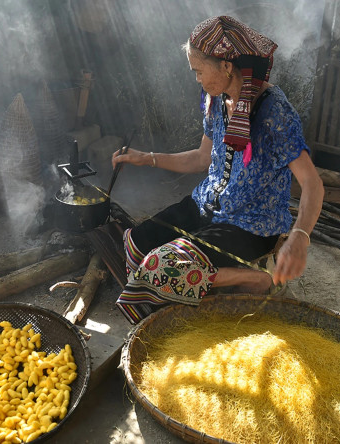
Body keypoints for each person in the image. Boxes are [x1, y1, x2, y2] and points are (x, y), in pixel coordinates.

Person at [111, 16, 324, 324]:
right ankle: (205, 279)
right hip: (206, 205)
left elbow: (313, 184)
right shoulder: (218, 99)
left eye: (199, 70)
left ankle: (256, 280)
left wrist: (300, 236)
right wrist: (147, 157)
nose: (196, 79)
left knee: (159, 268)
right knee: (135, 244)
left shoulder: (273, 111)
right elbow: (200, 158)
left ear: (225, 66)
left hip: (250, 223)